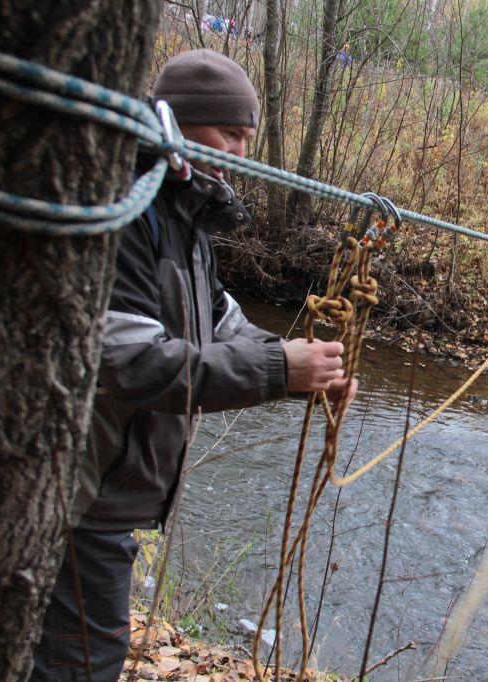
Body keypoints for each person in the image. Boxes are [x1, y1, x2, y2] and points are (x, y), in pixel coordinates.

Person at [31, 49, 354, 682]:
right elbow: (134, 364)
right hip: (74, 496)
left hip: (106, 499)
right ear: (176, 123)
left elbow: (223, 325)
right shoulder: (127, 212)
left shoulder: (185, 223)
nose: (239, 153)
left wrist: (309, 369)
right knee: (78, 665)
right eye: (229, 133)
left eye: (247, 137)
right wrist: (279, 371)